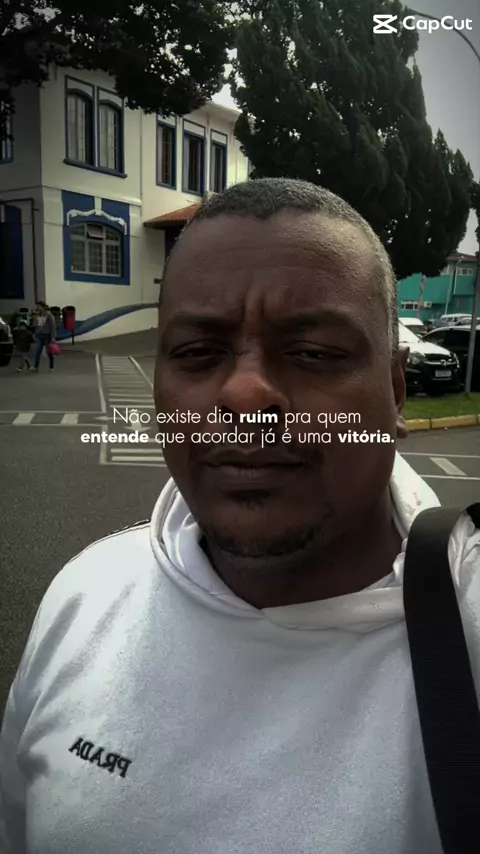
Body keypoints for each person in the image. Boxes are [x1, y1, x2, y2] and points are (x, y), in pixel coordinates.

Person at [1, 178, 479, 854]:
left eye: (314, 353)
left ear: (396, 391)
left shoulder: (469, 629)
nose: (247, 393)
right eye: (198, 353)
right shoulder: (82, 598)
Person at [32, 300, 56, 372]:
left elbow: (52, 326)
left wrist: (53, 337)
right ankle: (35, 367)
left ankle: (51, 366)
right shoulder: (38, 315)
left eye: (38, 306)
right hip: (40, 336)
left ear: (43, 307)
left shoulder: (49, 315)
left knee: (49, 352)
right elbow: (38, 326)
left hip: (47, 336)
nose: (37, 308)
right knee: (37, 351)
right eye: (37, 306)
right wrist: (35, 334)